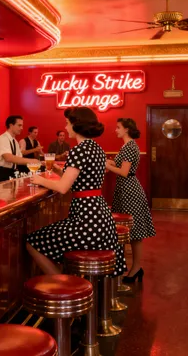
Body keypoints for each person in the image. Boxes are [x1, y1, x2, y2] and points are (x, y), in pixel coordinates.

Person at [26, 107, 126, 277]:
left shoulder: (78, 150)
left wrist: (39, 180)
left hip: (86, 222)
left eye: (67, 123)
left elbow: (63, 188)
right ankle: (66, 281)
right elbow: (82, 182)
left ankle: (62, 285)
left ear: (76, 125)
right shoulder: (97, 148)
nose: (65, 128)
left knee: (32, 242)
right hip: (101, 219)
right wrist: (59, 172)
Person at [106, 118, 155, 282]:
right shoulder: (128, 146)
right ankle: (134, 268)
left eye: (118, 127)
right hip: (125, 190)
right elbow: (120, 165)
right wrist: (109, 162)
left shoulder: (129, 146)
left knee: (133, 233)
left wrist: (107, 166)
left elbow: (124, 172)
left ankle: (135, 268)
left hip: (129, 190)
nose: (116, 130)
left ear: (127, 129)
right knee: (130, 231)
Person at [0, 115, 40, 183]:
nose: (22, 128)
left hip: (12, 172)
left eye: (22, 126)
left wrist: (40, 163)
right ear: (11, 125)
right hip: (1, 173)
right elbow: (8, 158)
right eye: (19, 125)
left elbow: (19, 158)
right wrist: (31, 161)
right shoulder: (2, 139)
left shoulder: (15, 142)